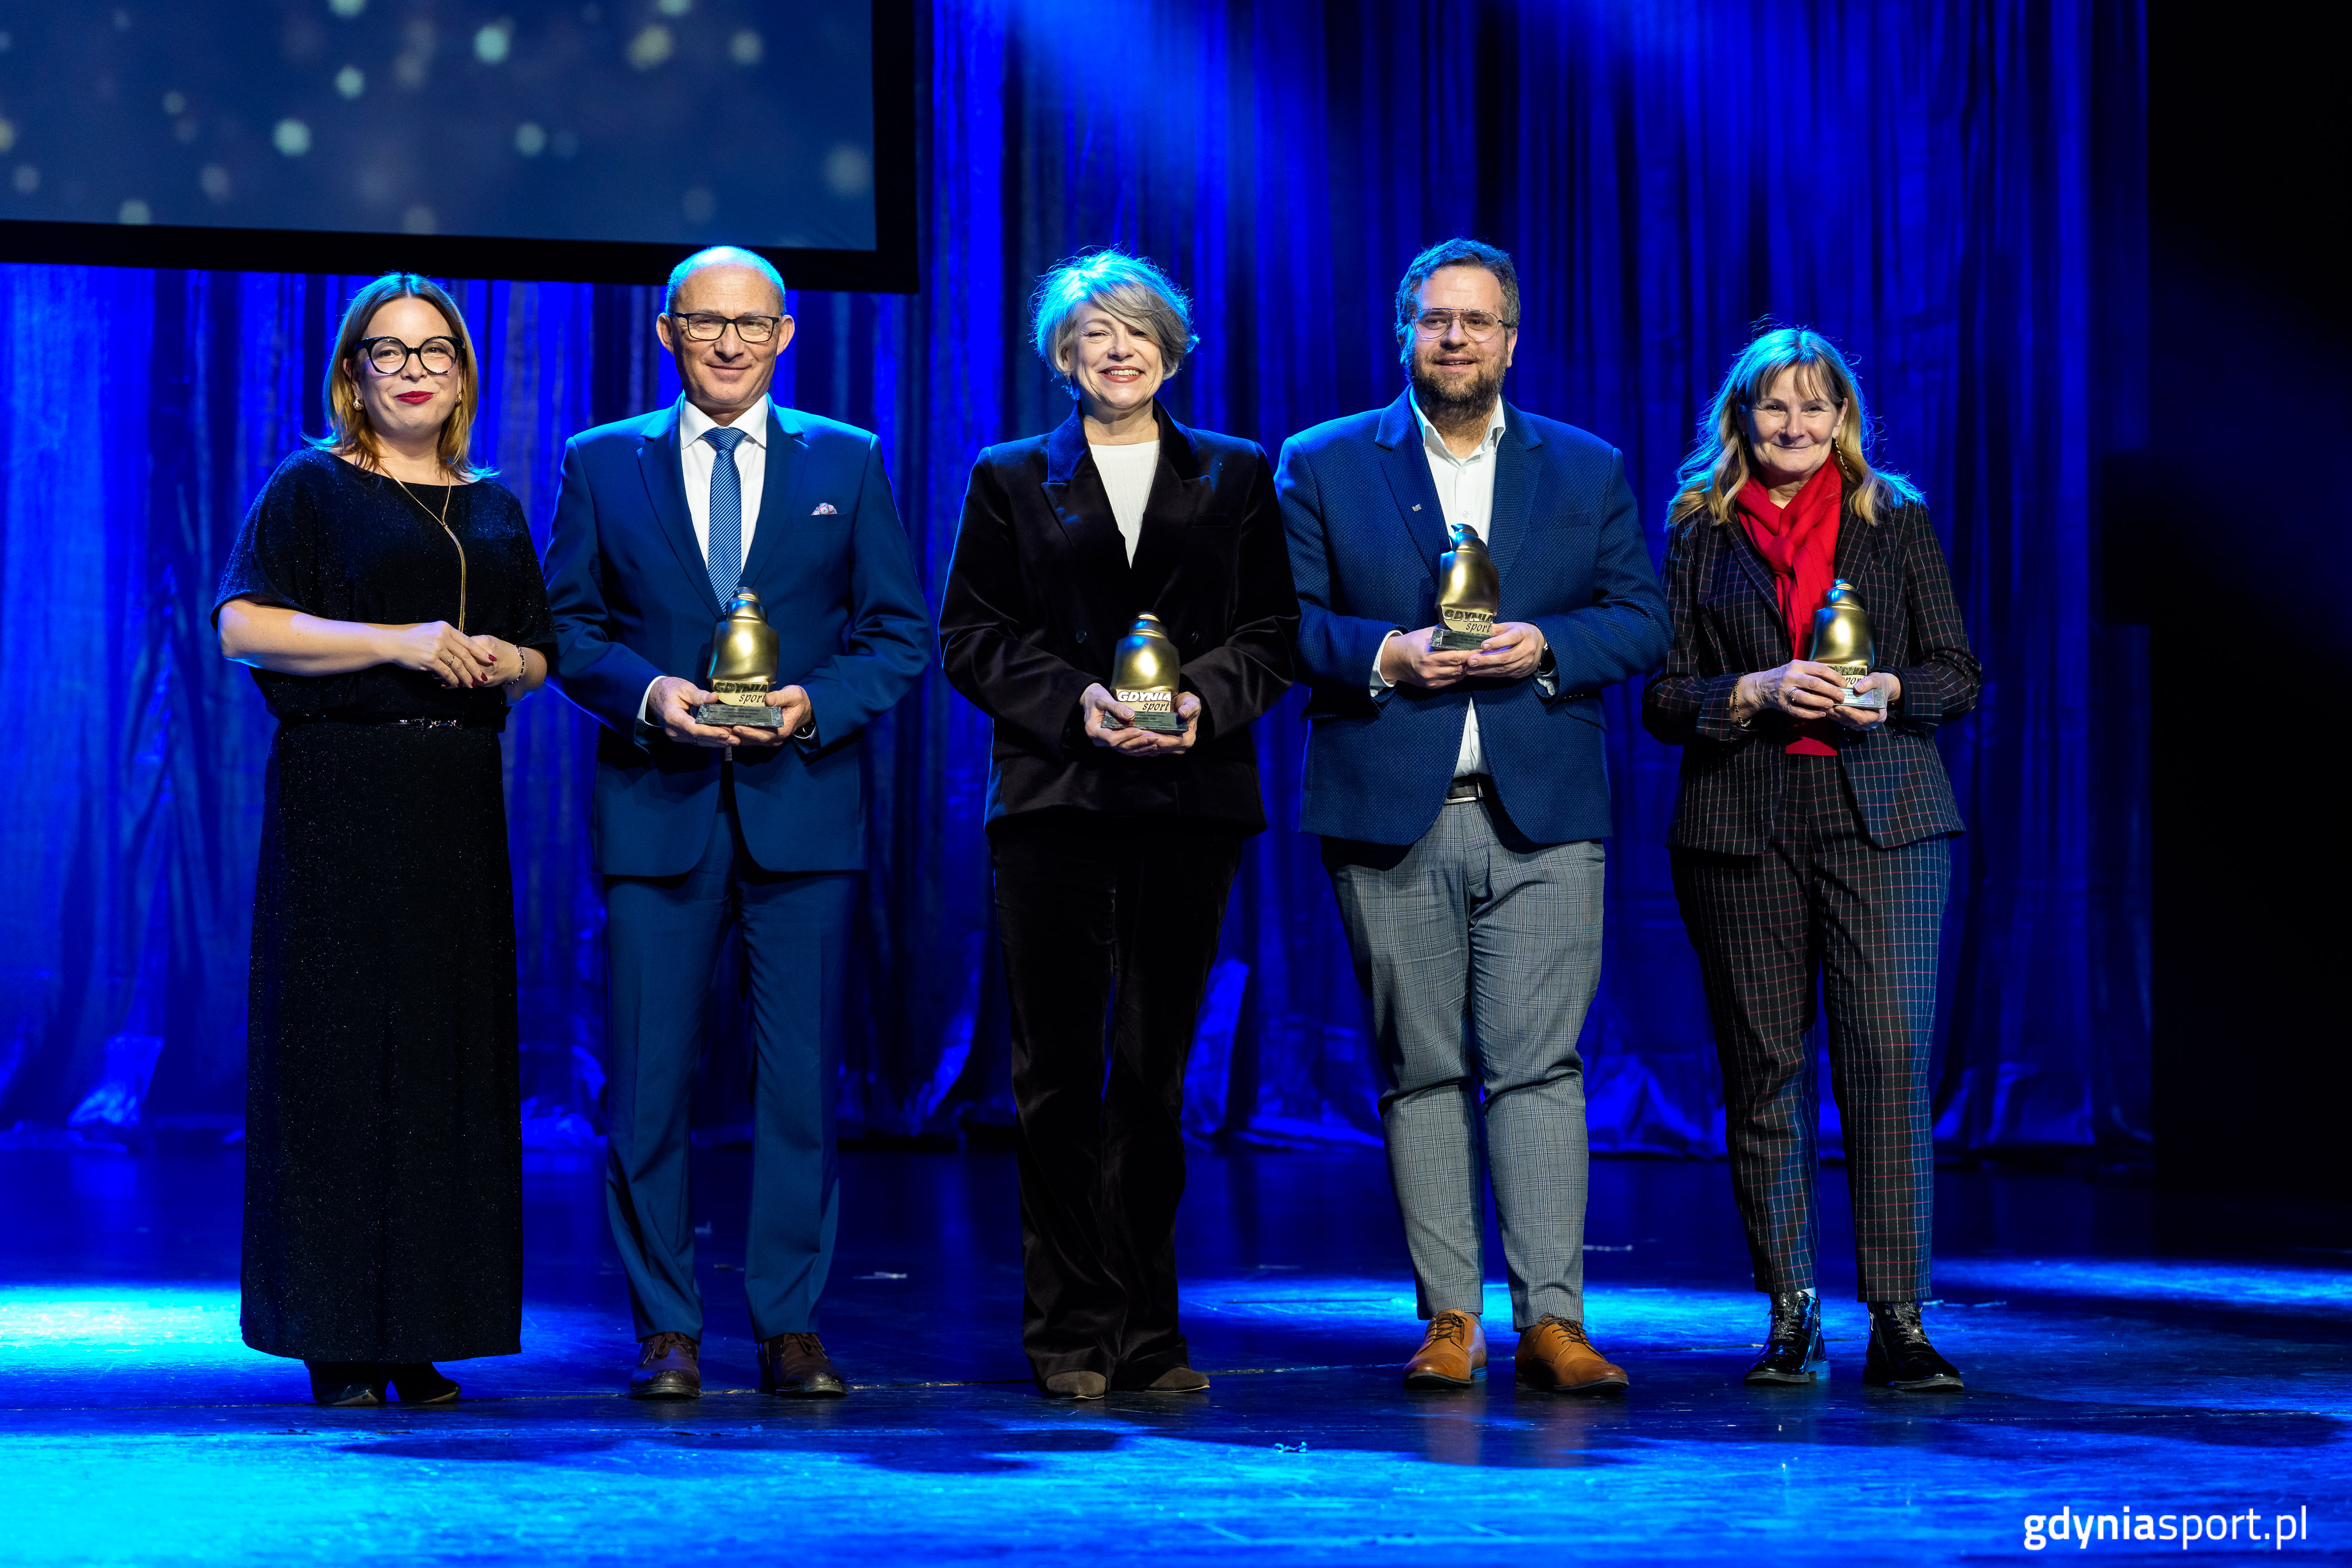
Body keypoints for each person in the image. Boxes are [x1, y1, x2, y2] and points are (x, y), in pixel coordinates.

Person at [1278, 239, 1668, 1395]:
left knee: (1539, 1067)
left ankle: (1552, 1319)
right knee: (1421, 1069)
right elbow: (1280, 623)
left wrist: (1548, 643)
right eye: (1435, 320)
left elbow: (1639, 620)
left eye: (1477, 322)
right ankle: (1448, 1316)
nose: (1455, 338)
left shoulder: (1584, 466)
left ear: (1511, 338)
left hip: (1541, 811)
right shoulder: (1322, 461)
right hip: (1387, 807)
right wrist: (1382, 654)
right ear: (1404, 331)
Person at [541, 246, 929, 1401]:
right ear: (666, 333)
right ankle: (665, 1326)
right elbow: (566, 626)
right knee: (647, 1085)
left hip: (800, 814)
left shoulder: (847, 461)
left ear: (785, 334)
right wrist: (649, 694)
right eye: (705, 324)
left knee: (799, 1087)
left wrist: (814, 705)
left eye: (749, 326)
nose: (726, 344)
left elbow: (898, 633)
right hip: (657, 808)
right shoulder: (602, 461)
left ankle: (789, 1323)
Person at [939, 251, 1296, 1400]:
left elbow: (1272, 630)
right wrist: (1077, 706)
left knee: (1151, 1074)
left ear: (1173, 349)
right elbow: (973, 636)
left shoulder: (1237, 475)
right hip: (1056, 802)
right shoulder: (1006, 477)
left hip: (1189, 804)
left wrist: (1202, 699)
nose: (1117, 347)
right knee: (1056, 1078)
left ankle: (1148, 1330)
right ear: (1061, 356)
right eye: (1093, 332)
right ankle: (1067, 1330)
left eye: (1137, 330)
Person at [214, 273, 552, 1407]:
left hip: (456, 801)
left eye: (435, 350)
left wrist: (512, 663)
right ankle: (336, 1333)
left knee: (446, 1061)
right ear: (351, 372)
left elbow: (538, 644)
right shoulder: (311, 487)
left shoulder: (495, 502)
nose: (413, 368)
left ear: (463, 370)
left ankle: (422, 1323)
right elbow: (243, 626)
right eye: (387, 350)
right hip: (342, 793)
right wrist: (399, 642)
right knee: (340, 1058)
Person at [1641, 327, 1981, 1393]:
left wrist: (1885, 692)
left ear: (1844, 419)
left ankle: (1899, 1320)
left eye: (1815, 408)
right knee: (1765, 1073)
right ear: (1738, 419)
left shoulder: (1896, 517)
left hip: (1884, 817)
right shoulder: (1697, 528)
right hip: (1741, 823)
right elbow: (1663, 696)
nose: (1795, 427)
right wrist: (1748, 691)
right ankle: (1792, 1313)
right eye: (1773, 409)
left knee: (1885, 1066)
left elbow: (1957, 674)